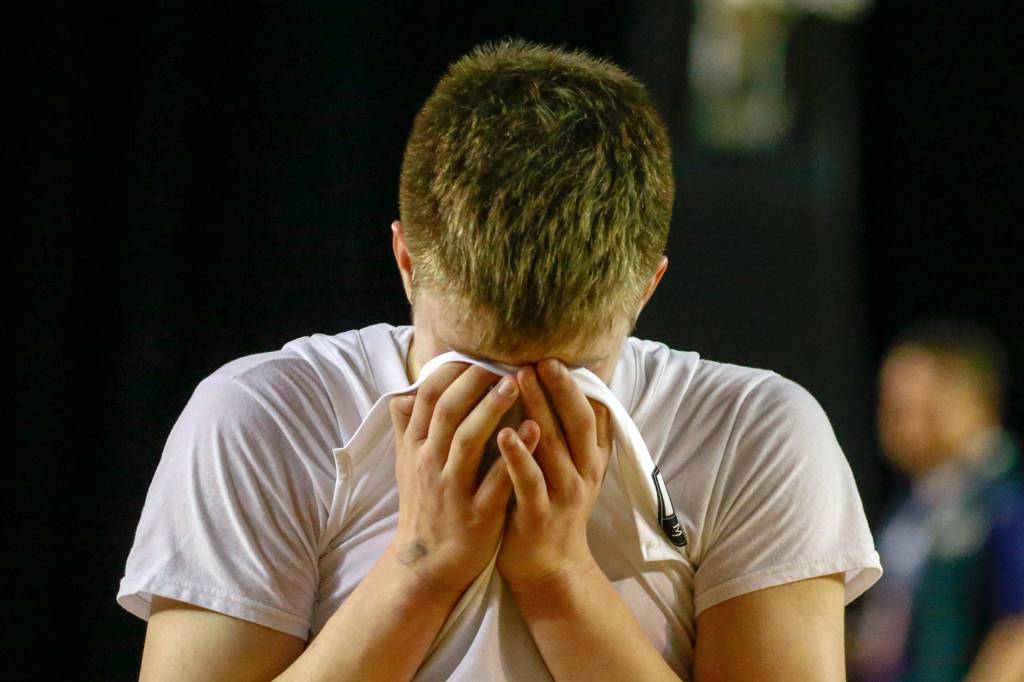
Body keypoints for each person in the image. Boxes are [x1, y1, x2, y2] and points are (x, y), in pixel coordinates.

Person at [118, 38, 881, 680]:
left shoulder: (760, 433)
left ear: (647, 289)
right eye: (473, 364)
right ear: (407, 260)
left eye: (570, 372)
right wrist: (419, 568)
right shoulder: (263, 415)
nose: (514, 410)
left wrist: (559, 579)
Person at [853, 317, 1024, 681]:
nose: (900, 425)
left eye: (919, 408)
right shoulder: (918, 501)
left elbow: (1017, 630)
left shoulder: (1005, 502)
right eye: (892, 407)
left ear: (972, 399)